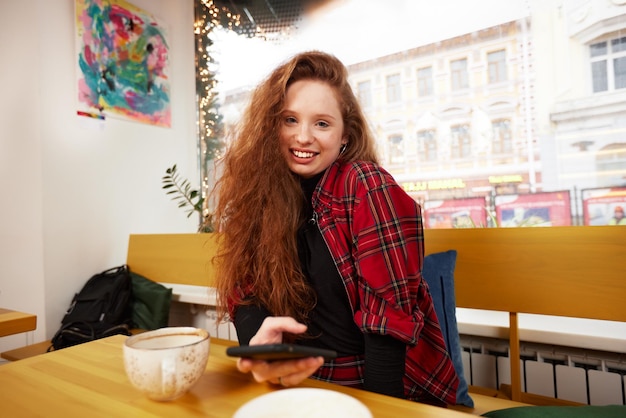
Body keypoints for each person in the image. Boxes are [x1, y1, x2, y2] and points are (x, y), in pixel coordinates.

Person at [212, 51, 459, 406]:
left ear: (345, 135)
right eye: (290, 120)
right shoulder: (262, 197)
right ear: (270, 128)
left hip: (375, 387)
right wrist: (260, 345)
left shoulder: (365, 185)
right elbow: (244, 288)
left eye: (322, 124)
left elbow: (387, 325)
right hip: (298, 383)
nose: (303, 137)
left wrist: (380, 411)